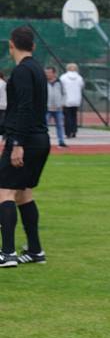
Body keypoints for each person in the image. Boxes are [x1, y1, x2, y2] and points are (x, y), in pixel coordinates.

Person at [0, 27, 51, 267]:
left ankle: (7, 253)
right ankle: (35, 250)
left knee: (4, 192)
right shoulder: (38, 69)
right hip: (40, 139)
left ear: (11, 45)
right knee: (23, 194)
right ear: (33, 45)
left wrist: (17, 143)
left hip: (25, 140)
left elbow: (24, 107)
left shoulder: (21, 71)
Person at [59, 62, 84, 139]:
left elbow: (61, 88)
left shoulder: (63, 77)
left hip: (66, 99)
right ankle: (74, 131)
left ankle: (68, 132)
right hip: (76, 100)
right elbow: (82, 86)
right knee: (74, 116)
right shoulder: (79, 77)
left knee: (67, 117)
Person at [45, 66, 67, 148]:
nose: (47, 74)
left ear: (54, 73)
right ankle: (45, 142)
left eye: (49, 72)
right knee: (44, 126)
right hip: (47, 108)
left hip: (58, 108)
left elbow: (64, 94)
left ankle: (61, 141)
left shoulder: (60, 83)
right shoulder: (43, 82)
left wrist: (62, 104)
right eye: (46, 73)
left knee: (60, 126)